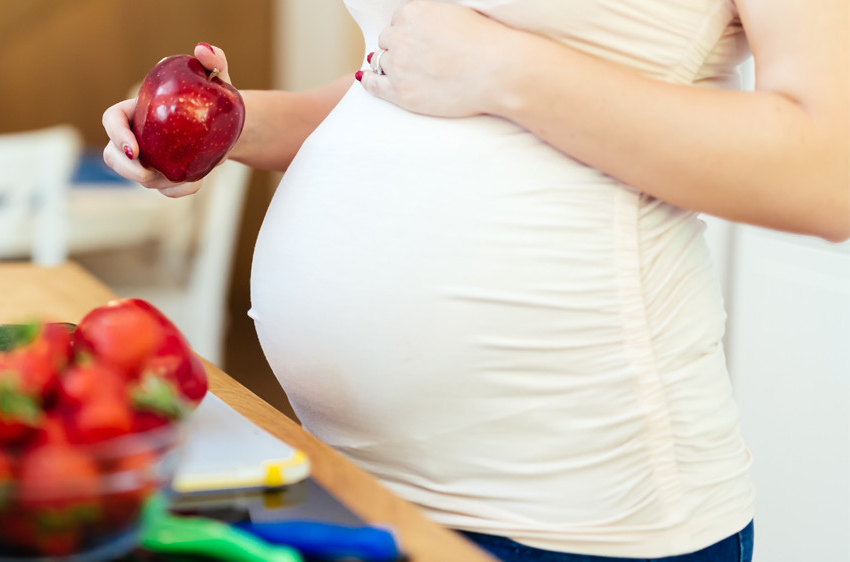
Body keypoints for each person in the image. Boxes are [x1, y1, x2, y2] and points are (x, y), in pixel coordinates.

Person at [102, 0, 848, 560]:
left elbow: (826, 174)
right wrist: (229, 122)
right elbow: (407, 78)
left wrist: (507, 68)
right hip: (354, 488)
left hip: (575, 525)